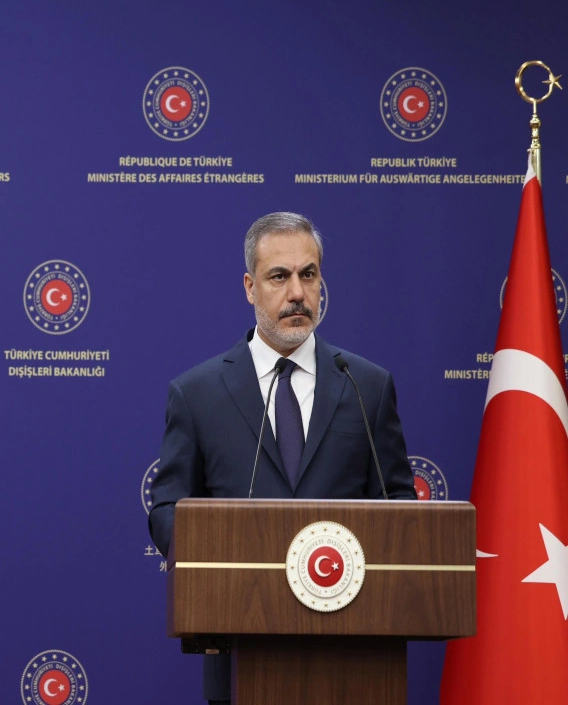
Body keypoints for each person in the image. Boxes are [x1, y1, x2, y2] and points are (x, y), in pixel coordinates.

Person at [145, 211, 416, 705]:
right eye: (279, 277)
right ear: (250, 288)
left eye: (308, 275)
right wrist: (220, 563)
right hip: (241, 649)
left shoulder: (366, 386)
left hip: (354, 658)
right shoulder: (198, 394)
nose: (297, 293)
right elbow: (168, 509)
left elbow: (398, 504)